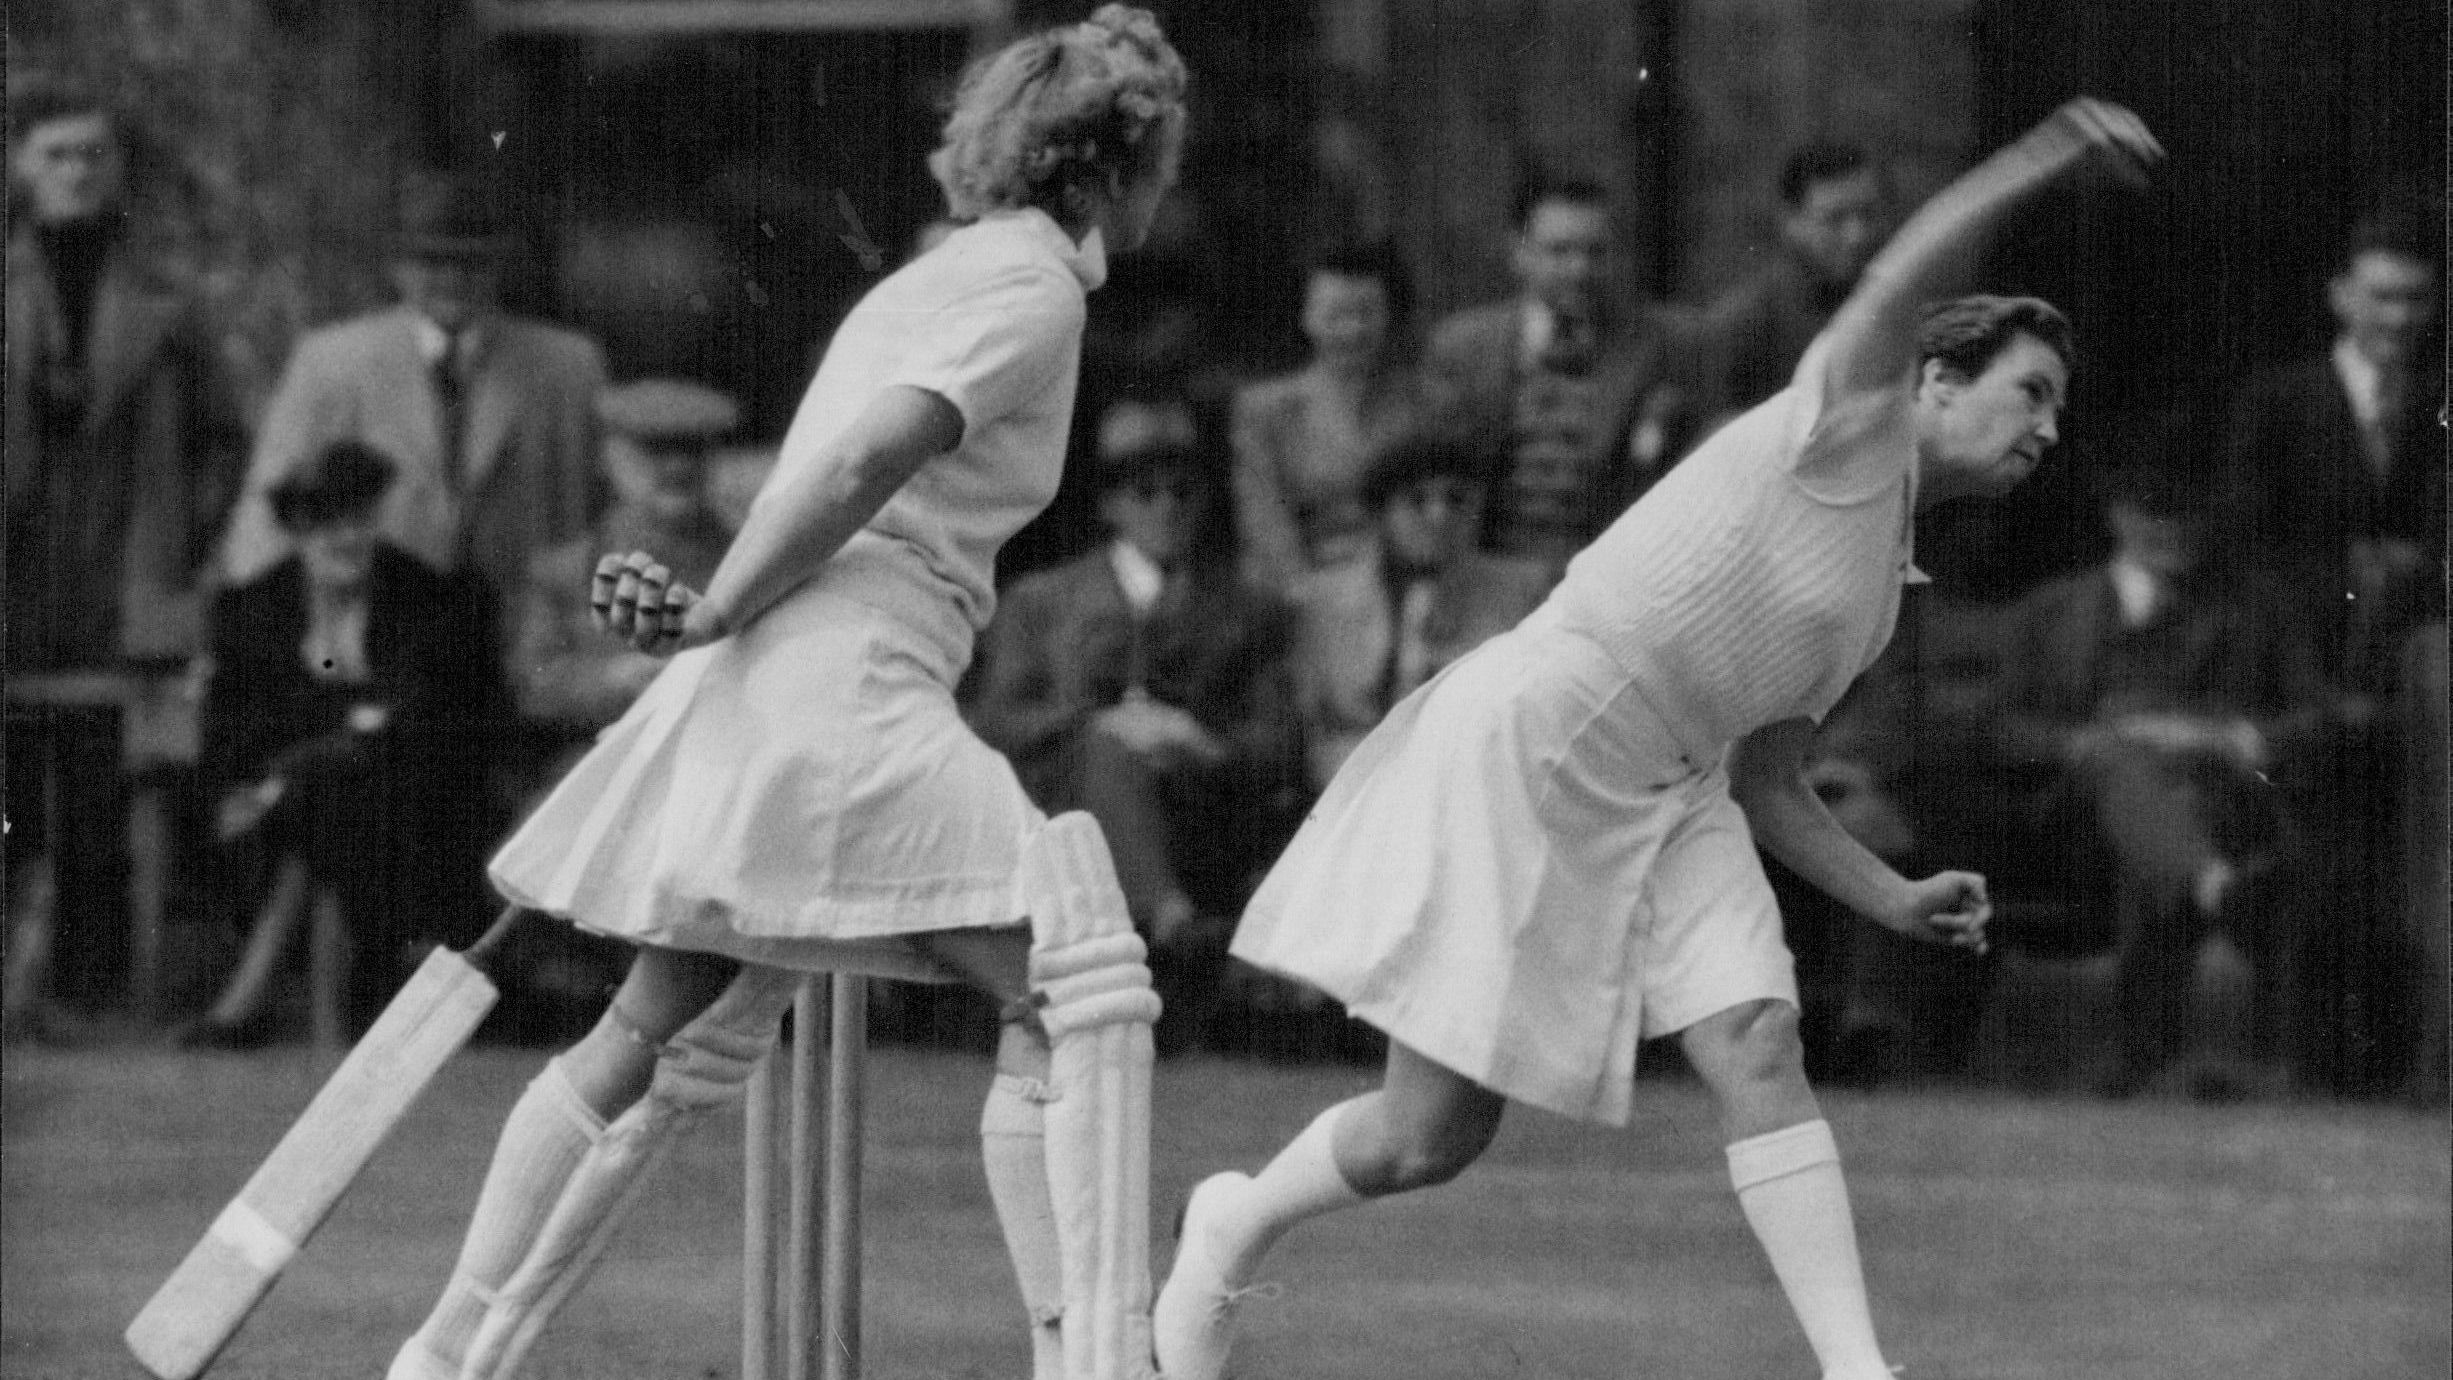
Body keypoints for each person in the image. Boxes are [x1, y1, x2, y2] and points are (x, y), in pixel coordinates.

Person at [1153, 98, 2163, 1380]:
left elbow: (1765, 777)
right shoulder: (1840, 419)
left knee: (1757, 1041)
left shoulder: (1875, 594)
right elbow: (1903, 267)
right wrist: (2046, 157)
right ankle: (1231, 1220)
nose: (2045, 428)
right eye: (2030, 392)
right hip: (1535, 738)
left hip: (1678, 789)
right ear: (1932, 380)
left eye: (2057, 409)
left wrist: (1891, 896)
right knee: (1427, 1140)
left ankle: (1859, 1373)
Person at [383, 11, 1187, 1380]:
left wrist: (721, 616)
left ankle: (445, 1357)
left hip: (803, 669)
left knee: (647, 1025)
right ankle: (1087, 1361)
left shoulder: (932, 278)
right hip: (849, 675)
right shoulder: (1032, 289)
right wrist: (713, 606)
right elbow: (865, 458)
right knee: (1066, 992)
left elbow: (841, 468)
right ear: (1112, 171)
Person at [4, 74, 247, 1027]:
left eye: (92, 153)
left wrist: (181, 531)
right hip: (16, 571)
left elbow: (224, 439)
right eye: (56, 153)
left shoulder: (167, 302)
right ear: (22, 165)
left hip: (128, 573)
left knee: (109, 788)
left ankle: (94, 988)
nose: (75, 172)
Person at [1992, 453, 2343, 1098]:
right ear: (2118, 516)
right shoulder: (2051, 610)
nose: (2176, 532)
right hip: (2072, 824)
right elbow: (2002, 730)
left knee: (2172, 807)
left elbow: (2317, 719)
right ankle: (2214, 890)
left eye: (2191, 518)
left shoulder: (2256, 609)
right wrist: (2085, 745)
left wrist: (2220, 737)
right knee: (2126, 765)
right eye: (2156, 516)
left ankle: (2143, 1058)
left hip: (2219, 804)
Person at [188, 441, 516, 1042]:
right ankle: (328, 1010)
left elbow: (461, 726)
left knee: (336, 794)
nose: (345, 539)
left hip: (416, 821)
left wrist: (339, 737)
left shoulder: (433, 600)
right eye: (324, 525)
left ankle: (251, 1000)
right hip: (269, 818)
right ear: (295, 531)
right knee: (327, 797)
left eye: (358, 519)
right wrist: (343, 728)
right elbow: (229, 739)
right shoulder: (252, 609)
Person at [968, 398, 1303, 972]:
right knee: (1106, 755)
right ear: (1110, 507)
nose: (1168, 509)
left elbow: (1278, 737)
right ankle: (1170, 918)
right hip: (1063, 802)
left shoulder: (1245, 610)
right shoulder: (1043, 600)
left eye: (1183, 492)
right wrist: (1099, 725)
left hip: (1201, 800)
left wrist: (1198, 740)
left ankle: (1187, 930)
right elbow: (995, 720)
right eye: (1145, 494)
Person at [218, 168, 609, 644]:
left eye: (473, 262)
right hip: (384, 644)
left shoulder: (566, 365)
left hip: (525, 644)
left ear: (499, 265)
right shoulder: (333, 360)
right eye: (432, 261)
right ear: (396, 267)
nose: (453, 278)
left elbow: (605, 516)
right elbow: (267, 510)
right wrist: (261, 641)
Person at [1418, 173, 1703, 566]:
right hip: (1491, 572)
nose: (1579, 269)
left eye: (1594, 252)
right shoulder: (1463, 346)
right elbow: (1436, 478)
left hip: (1609, 569)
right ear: (1519, 253)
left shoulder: (1659, 343)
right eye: (1559, 251)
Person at [1284, 433, 1550, 794]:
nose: (1439, 517)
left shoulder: (1522, 592)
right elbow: (1315, 728)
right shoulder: (1324, 600)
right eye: (1417, 501)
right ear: (1381, 514)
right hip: (1352, 791)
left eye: (1456, 500)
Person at [511, 378, 742, 767]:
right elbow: (534, 687)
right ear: (609, 458)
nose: (677, 466)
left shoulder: (746, 560)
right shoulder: (566, 572)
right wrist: (614, 680)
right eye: (653, 449)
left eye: (693, 449)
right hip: (602, 769)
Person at [1229, 240, 1427, 590]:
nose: (1352, 330)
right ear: (1305, 316)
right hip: (1301, 592)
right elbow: (1264, 523)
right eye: (1334, 315)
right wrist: (1314, 597)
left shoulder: (1421, 403)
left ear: (1388, 315)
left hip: (1403, 587)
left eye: (1367, 312)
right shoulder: (1264, 411)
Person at [1703, 141, 1893, 415]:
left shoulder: (1898, 304)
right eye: (1834, 219)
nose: (1857, 235)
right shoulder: (1748, 324)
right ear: (1791, 221)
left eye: (1868, 214)